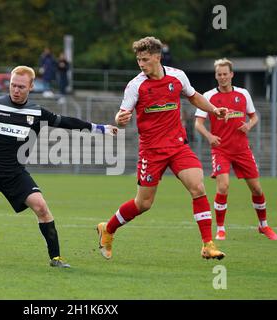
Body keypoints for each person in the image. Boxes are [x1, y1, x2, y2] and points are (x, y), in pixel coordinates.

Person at [0, 66, 117, 268]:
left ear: (31, 87)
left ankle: (56, 258)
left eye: (21, 87)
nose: (15, 90)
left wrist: (100, 128)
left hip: (15, 172)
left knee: (41, 207)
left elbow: (66, 122)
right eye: (13, 85)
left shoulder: (37, 112)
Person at [96, 36, 228, 261]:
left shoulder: (177, 76)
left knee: (198, 187)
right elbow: (121, 116)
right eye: (138, 59)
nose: (141, 64)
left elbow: (194, 97)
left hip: (178, 146)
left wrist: (214, 110)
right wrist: (120, 119)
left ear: (158, 57)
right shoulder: (135, 85)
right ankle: (108, 229)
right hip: (151, 151)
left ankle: (208, 244)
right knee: (143, 203)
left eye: (145, 59)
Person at [194, 58, 277, 241]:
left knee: (256, 189)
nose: (222, 77)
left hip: (242, 149)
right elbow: (198, 123)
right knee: (223, 186)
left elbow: (254, 117)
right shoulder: (208, 96)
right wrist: (209, 137)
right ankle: (221, 229)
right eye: (219, 74)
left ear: (232, 74)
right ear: (216, 76)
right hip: (221, 149)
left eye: (225, 74)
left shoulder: (243, 94)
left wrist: (249, 125)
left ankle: (263, 226)